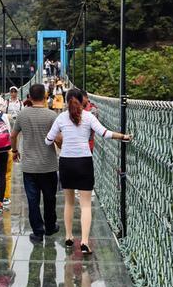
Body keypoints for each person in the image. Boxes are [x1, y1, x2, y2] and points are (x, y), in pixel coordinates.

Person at [45, 87, 132, 254]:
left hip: (66, 163)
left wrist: (59, 138)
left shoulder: (61, 118)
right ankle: (84, 241)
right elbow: (105, 133)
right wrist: (123, 136)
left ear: (66, 99)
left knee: (69, 203)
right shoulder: (88, 116)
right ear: (82, 100)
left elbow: (48, 140)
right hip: (84, 162)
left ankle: (69, 237)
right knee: (85, 204)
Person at [11, 83, 59, 244]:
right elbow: (58, 140)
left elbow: (13, 135)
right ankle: (51, 227)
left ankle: (38, 233)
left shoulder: (23, 115)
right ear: (45, 96)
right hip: (49, 165)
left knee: (32, 200)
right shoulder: (52, 115)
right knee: (50, 198)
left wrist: (15, 151)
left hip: (29, 166)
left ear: (29, 97)